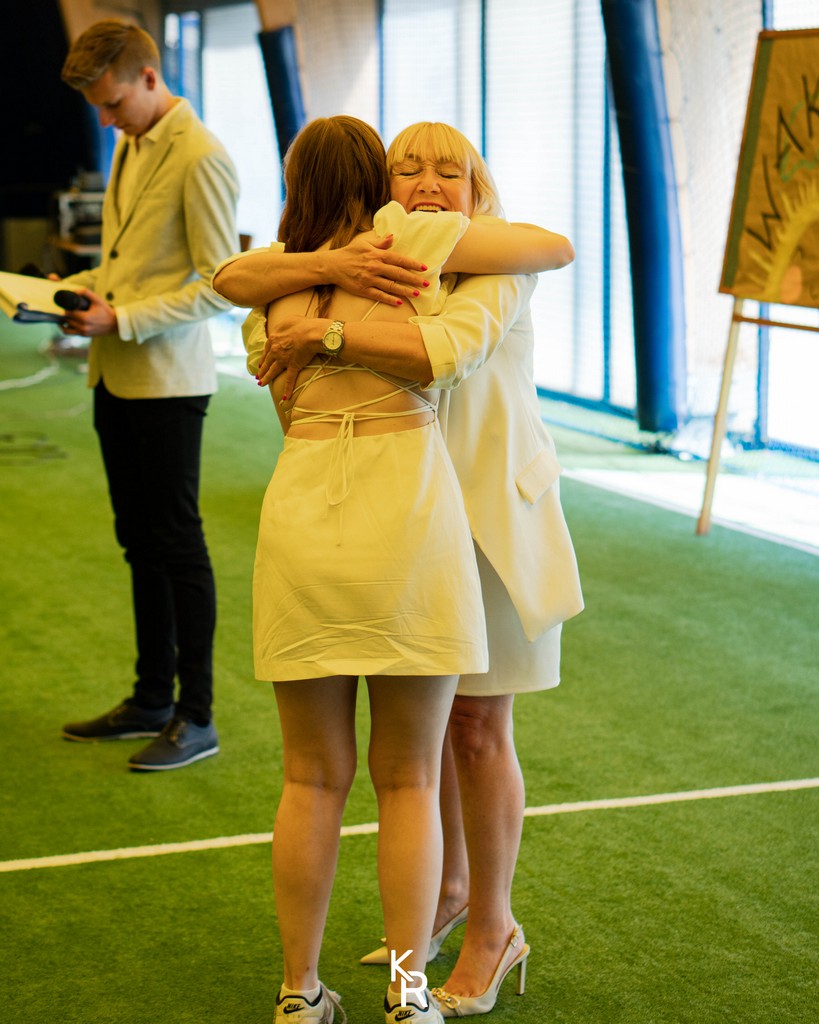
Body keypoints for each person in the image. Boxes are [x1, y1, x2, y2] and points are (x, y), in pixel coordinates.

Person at [217, 121, 583, 1017]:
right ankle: (427, 939)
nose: (425, 183)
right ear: (377, 189)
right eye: (405, 168)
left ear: (476, 185)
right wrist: (334, 276)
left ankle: (484, 929)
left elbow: (536, 263)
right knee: (414, 768)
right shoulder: (383, 257)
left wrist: (325, 330)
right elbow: (236, 277)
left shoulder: (462, 253)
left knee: (462, 736)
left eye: (446, 170)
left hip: (478, 524)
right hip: (411, 522)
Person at [56, 20, 240, 771]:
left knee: (177, 545)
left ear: (150, 79)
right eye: (98, 108)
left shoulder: (202, 155)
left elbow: (221, 285)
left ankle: (197, 717)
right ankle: (151, 698)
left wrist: (122, 318)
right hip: (116, 373)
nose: (106, 121)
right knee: (138, 542)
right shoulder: (133, 143)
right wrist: (76, 292)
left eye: (113, 104)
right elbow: (129, 263)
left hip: (168, 383)